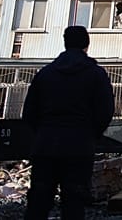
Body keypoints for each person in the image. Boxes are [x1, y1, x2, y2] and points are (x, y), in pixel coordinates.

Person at [22, 25, 114, 220]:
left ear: (65, 43)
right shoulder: (96, 74)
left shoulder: (45, 73)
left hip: (45, 146)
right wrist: (90, 135)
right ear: (87, 44)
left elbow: (29, 112)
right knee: (74, 202)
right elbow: (105, 111)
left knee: (38, 200)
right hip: (78, 147)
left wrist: (43, 133)